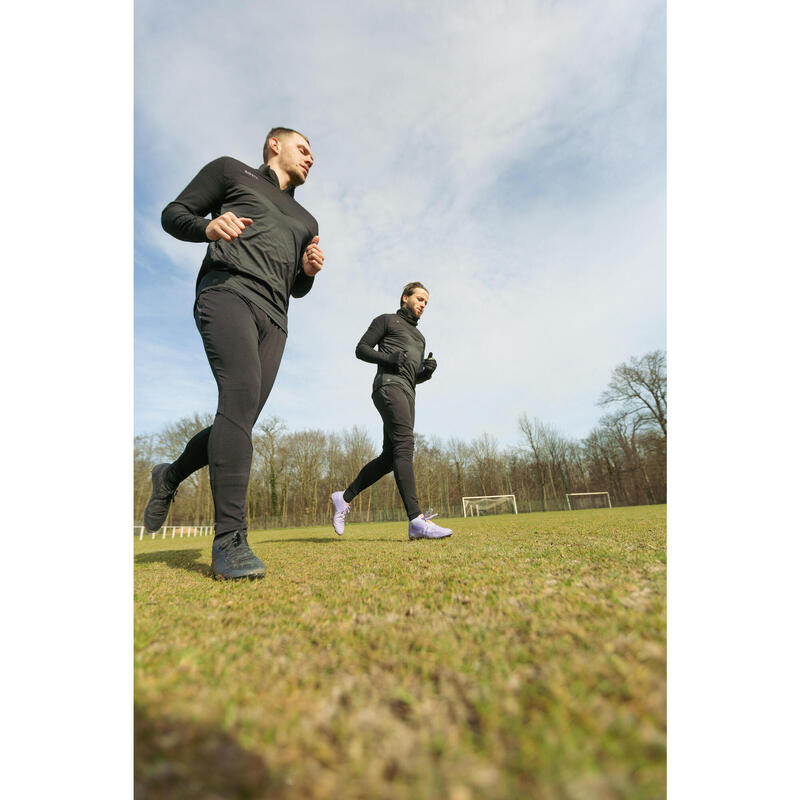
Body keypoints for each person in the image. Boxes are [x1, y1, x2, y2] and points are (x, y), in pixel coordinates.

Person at [143, 127, 324, 579]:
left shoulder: (308, 221)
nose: (310, 157)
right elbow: (173, 213)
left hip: (276, 319)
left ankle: (169, 475)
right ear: (273, 146)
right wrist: (207, 226)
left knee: (238, 419)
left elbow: (296, 288)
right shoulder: (231, 172)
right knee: (239, 399)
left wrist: (307, 272)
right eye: (303, 148)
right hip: (227, 292)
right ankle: (230, 542)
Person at [330, 283, 453, 540]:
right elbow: (361, 349)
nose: (422, 305)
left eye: (426, 303)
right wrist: (388, 359)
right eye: (419, 299)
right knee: (405, 445)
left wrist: (425, 373)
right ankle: (416, 520)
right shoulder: (386, 321)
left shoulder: (420, 338)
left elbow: (411, 374)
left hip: (408, 393)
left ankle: (344, 497)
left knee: (390, 457)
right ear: (405, 298)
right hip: (387, 387)